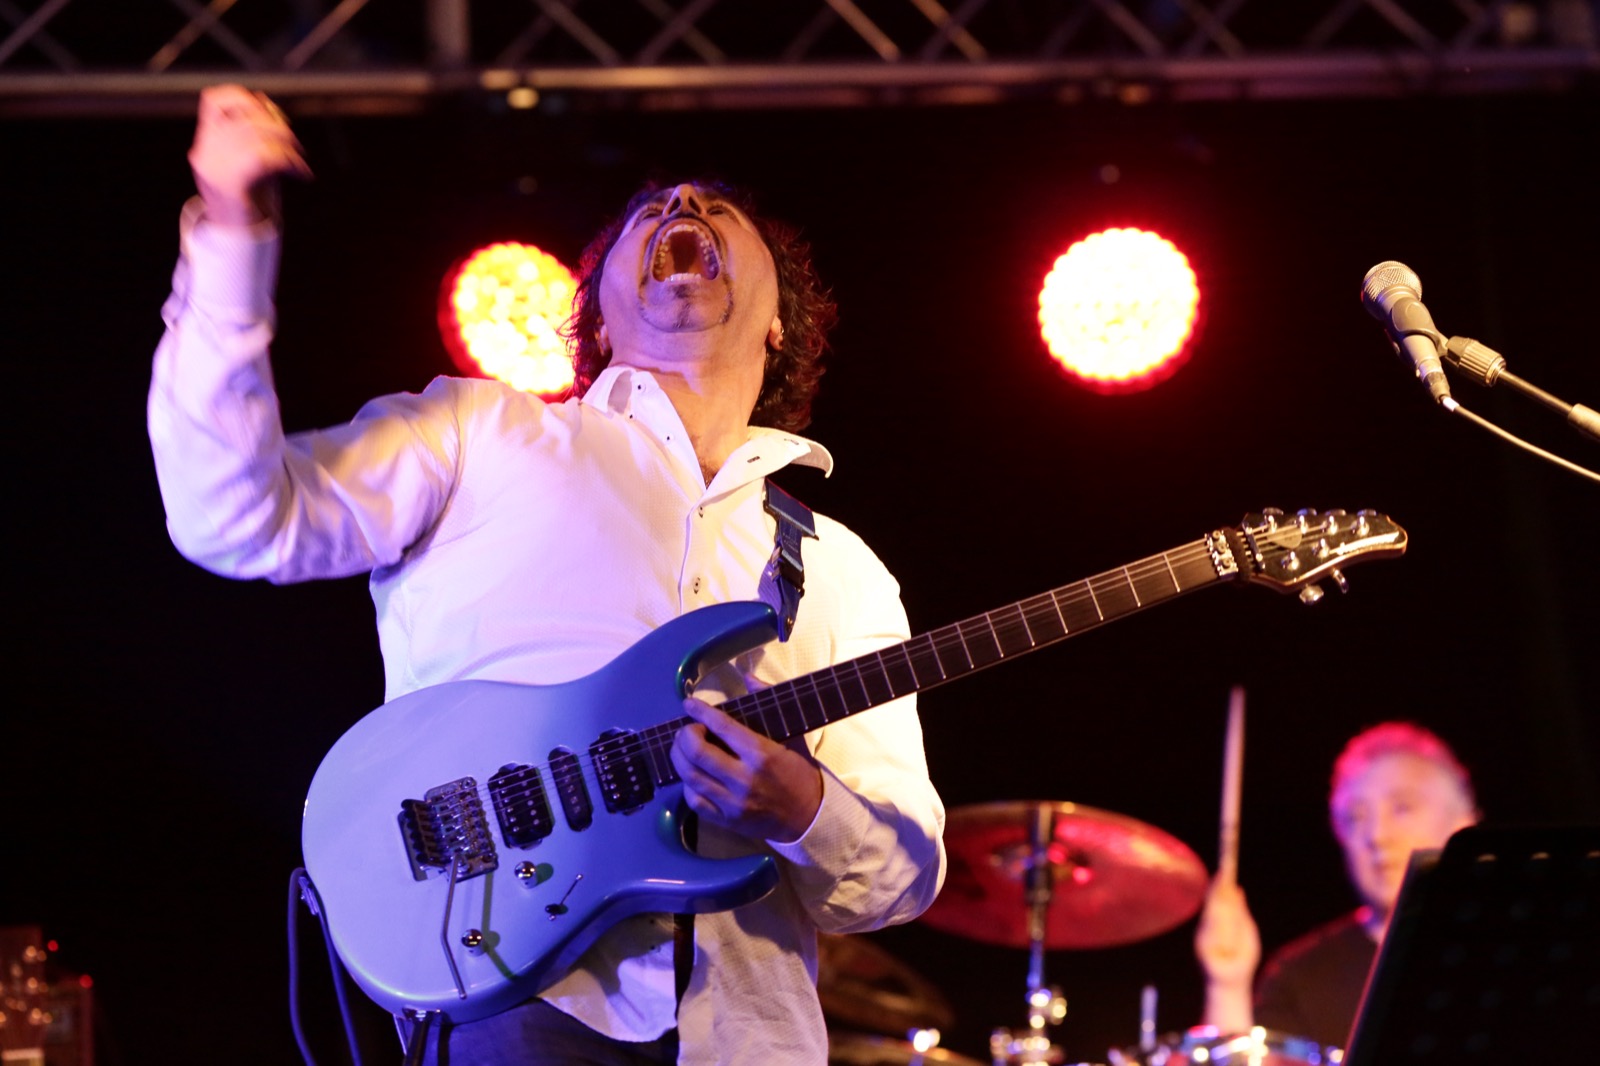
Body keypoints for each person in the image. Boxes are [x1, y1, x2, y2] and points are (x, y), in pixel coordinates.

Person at [147, 85, 947, 1065]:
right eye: (650, 212)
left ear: (781, 320)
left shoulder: (843, 570)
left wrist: (804, 808)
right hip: (509, 993)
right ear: (599, 313)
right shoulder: (483, 431)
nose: (682, 208)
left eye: (717, 211)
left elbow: (897, 879)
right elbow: (232, 514)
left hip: (748, 1035)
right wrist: (233, 235)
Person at [1193, 721, 1479, 1050]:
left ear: (1463, 822)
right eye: (1356, 818)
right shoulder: (1302, 979)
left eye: (1402, 808)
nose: (1377, 836)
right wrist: (1227, 987)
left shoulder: (1518, 943)